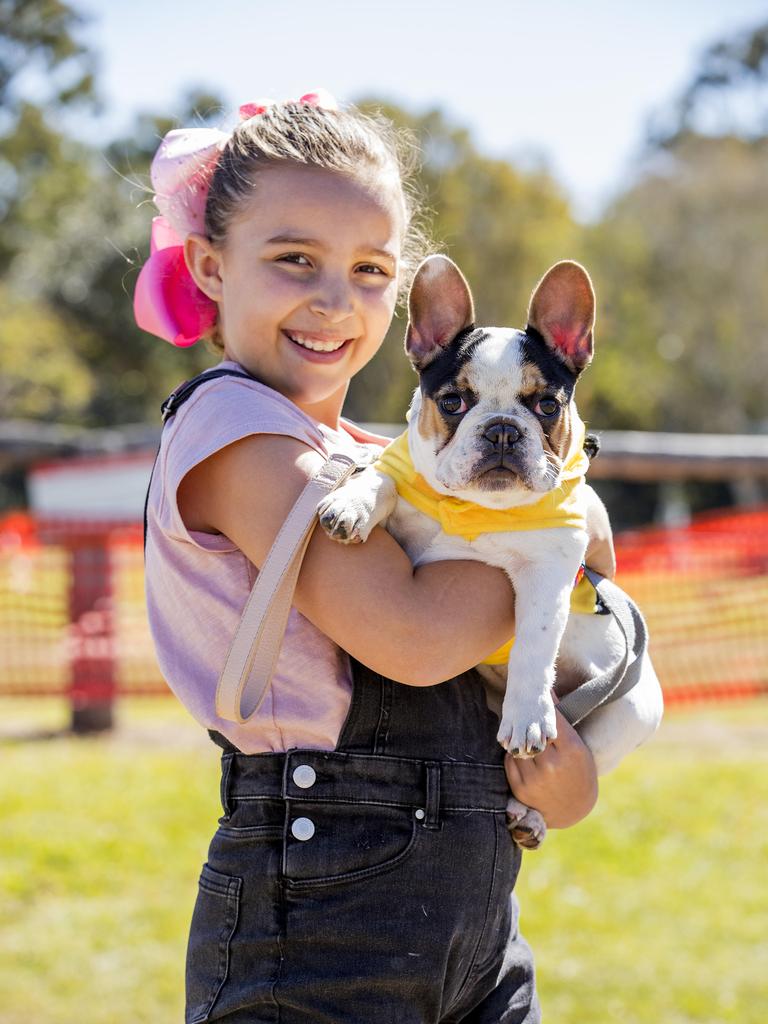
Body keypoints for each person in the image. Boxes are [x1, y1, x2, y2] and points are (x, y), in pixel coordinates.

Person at [138, 92, 609, 1024]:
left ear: (402, 304)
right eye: (293, 260)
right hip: (322, 909)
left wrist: (570, 769)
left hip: (475, 904)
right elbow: (417, 635)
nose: (332, 299)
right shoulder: (237, 432)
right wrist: (559, 543)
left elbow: (565, 591)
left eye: (368, 270)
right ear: (209, 265)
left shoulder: (379, 455)